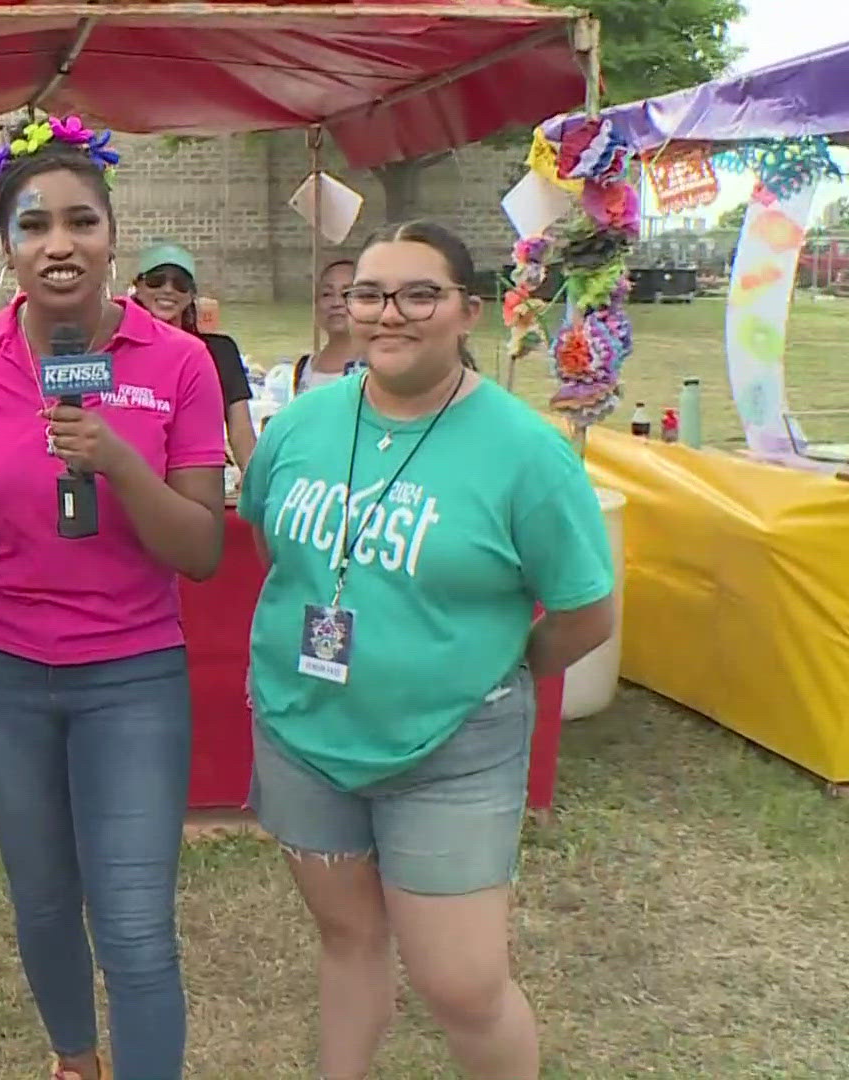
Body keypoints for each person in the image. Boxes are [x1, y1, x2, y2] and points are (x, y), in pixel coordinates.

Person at [238, 221, 615, 1080]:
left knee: (462, 983)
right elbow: (278, 549)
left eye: (419, 295)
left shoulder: (525, 453)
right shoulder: (301, 424)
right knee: (348, 941)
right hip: (304, 733)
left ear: (467, 312)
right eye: (369, 295)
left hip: (452, 748)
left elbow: (587, 611)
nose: (389, 315)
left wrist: (492, 667)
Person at [0, 116, 227, 1080]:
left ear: (112, 237)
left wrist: (118, 460)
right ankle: (74, 1062)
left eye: (82, 222)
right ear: (6, 245)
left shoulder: (180, 363)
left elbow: (202, 548)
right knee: (43, 895)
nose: (60, 244)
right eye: (35, 225)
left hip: (131, 678)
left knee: (130, 921)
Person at [130, 242, 258, 472]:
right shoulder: (122, 350)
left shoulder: (220, 351)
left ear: (190, 295)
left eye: (180, 283)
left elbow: (241, 432)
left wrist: (255, 484)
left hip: (201, 476)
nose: (168, 290)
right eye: (156, 280)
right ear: (138, 287)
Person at [292, 258, 365, 395]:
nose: (336, 303)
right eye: (327, 294)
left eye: (347, 294)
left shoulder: (377, 367)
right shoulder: (304, 367)